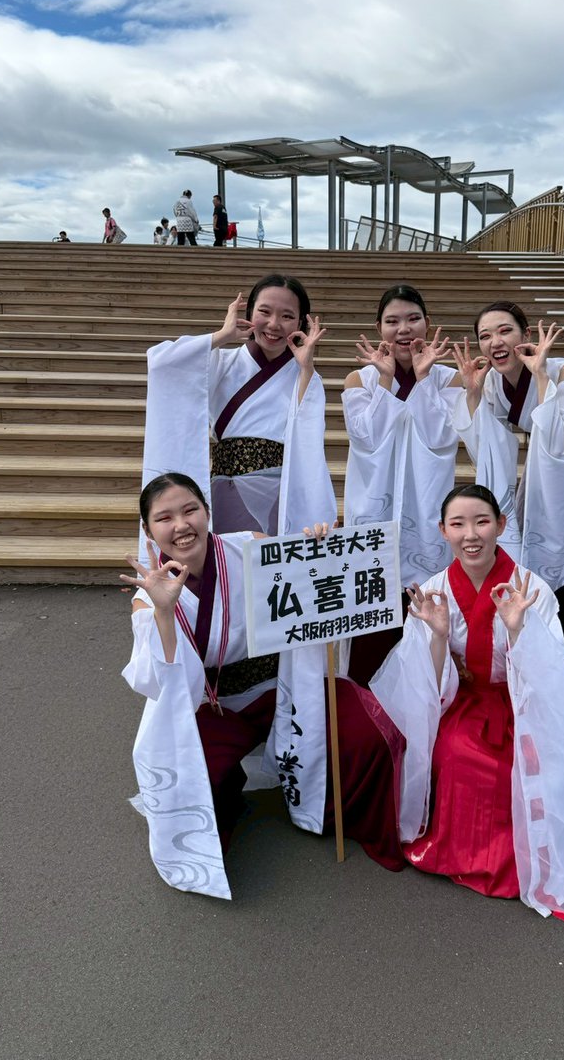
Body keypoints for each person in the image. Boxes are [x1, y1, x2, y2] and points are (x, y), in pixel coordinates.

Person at [122, 472, 405, 900]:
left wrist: (316, 550)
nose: (181, 525)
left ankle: (345, 813)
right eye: (165, 518)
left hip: (281, 685)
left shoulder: (248, 546)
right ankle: (229, 796)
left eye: (190, 510)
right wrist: (163, 611)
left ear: (206, 512)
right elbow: (157, 683)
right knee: (197, 779)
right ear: (148, 529)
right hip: (213, 706)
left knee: (363, 732)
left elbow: (311, 585)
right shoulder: (149, 596)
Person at [370, 484, 564, 929]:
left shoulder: (531, 589)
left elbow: (551, 675)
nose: (470, 535)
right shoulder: (435, 590)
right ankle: (459, 852)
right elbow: (424, 681)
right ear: (443, 531)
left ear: (501, 525)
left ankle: (521, 860)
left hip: (523, 701)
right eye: (458, 524)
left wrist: (517, 631)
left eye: (481, 522)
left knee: (521, 764)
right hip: (464, 700)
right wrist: (438, 636)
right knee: (455, 754)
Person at [452, 303, 564, 701]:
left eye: (505, 331)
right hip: (541, 473)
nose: (495, 342)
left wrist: (541, 375)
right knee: (543, 571)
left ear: (526, 335)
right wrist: (473, 393)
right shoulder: (492, 382)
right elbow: (487, 445)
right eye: (485, 336)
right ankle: (552, 682)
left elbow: (562, 436)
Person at [142, 273, 336, 537]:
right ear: (248, 312)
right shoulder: (220, 361)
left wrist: (306, 368)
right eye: (264, 312)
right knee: (232, 557)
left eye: (287, 316)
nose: (274, 324)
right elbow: (161, 364)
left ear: (301, 322)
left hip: (284, 491)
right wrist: (221, 336)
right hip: (227, 486)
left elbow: (308, 433)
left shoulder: (304, 374)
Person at [341, 284, 463, 685]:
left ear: (428, 323)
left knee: (423, 614)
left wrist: (424, 380)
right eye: (392, 321)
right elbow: (367, 440)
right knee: (372, 617)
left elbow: (441, 438)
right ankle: (365, 702)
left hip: (426, 507)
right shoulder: (360, 379)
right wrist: (386, 381)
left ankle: (426, 696)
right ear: (379, 328)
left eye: (413, 319)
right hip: (375, 507)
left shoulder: (448, 378)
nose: (403, 329)